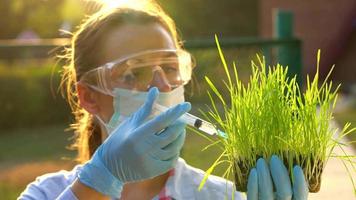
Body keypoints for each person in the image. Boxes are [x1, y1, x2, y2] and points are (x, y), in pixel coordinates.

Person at [18, 1, 308, 199]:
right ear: (89, 97)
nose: (163, 85)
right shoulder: (47, 193)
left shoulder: (218, 195)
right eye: (134, 73)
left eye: (170, 67)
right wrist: (101, 180)